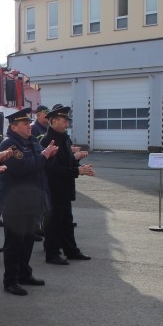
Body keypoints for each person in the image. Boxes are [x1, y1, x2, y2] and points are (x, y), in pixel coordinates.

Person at [0, 108, 59, 296]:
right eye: (24, 124)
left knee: (28, 241)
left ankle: (24, 273)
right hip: (15, 203)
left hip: (31, 201)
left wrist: (48, 156)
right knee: (14, 243)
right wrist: (43, 156)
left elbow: (40, 165)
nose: (29, 127)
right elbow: (22, 167)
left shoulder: (31, 142)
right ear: (14, 127)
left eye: (28, 123)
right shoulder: (10, 145)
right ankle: (10, 280)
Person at [40, 106, 95, 264]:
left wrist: (76, 160)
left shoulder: (64, 138)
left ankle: (71, 250)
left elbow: (66, 161)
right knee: (54, 223)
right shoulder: (48, 140)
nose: (66, 124)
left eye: (67, 121)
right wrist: (78, 171)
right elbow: (53, 169)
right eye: (64, 121)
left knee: (66, 222)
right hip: (54, 189)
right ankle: (52, 254)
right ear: (54, 121)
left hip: (64, 188)